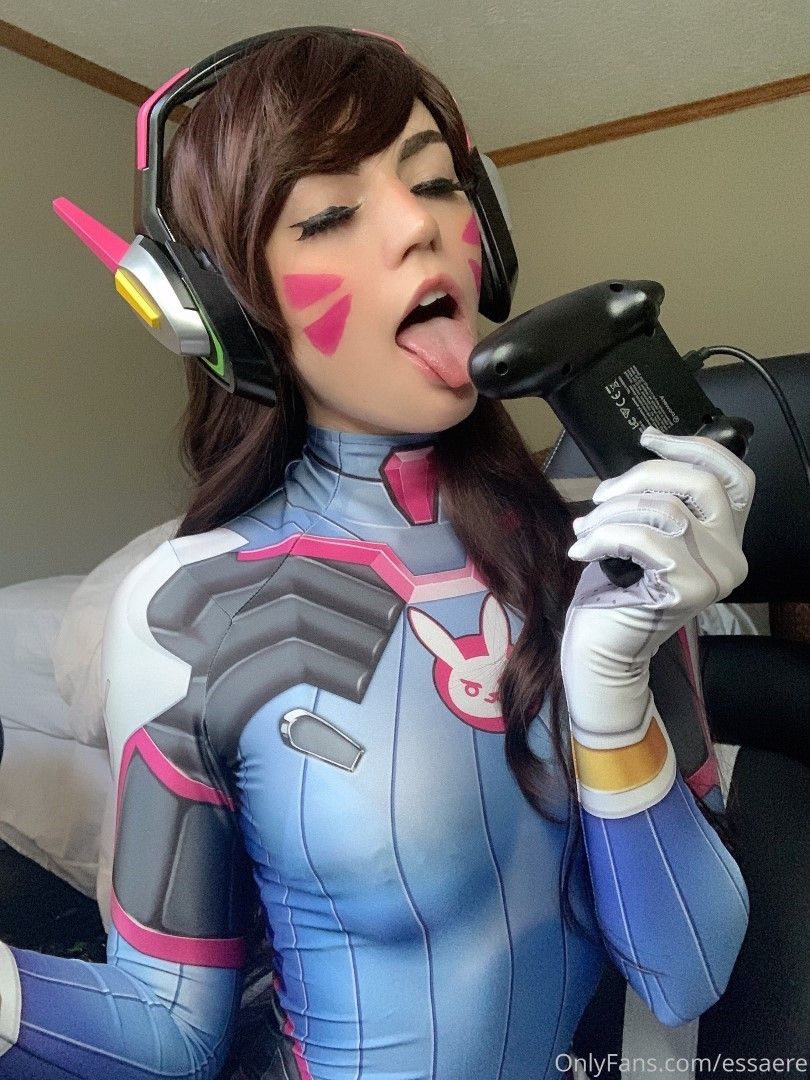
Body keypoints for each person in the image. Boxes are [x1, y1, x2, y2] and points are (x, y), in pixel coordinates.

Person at [1, 27, 753, 1079]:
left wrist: (614, 690)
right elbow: (168, 1035)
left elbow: (687, 973)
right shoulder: (189, 609)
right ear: (225, 310)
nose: (418, 225)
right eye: (329, 215)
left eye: (436, 183)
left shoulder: (604, 554)